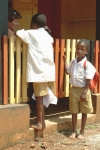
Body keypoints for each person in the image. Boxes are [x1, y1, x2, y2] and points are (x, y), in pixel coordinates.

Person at [16, 13, 57, 130]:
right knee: (43, 96)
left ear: (33, 24)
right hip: (48, 71)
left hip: (39, 72)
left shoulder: (31, 33)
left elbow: (17, 33)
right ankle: (42, 121)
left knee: (39, 97)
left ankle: (39, 123)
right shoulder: (48, 36)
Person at [63, 39, 96, 139]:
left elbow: (88, 78)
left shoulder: (87, 64)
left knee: (84, 112)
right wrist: (65, 61)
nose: (79, 51)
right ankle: (74, 131)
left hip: (83, 91)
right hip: (74, 90)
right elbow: (68, 72)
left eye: (82, 49)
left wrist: (85, 92)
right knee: (74, 111)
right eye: (78, 49)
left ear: (87, 51)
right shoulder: (73, 62)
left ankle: (82, 132)